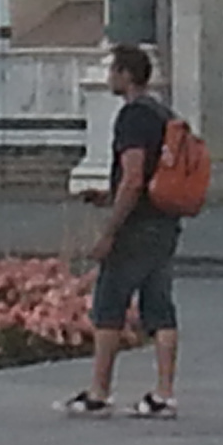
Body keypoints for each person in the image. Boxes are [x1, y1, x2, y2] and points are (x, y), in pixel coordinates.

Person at [58, 44, 182, 420]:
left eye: (113, 70)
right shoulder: (164, 113)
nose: (109, 77)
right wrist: (105, 195)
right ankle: (164, 393)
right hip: (165, 220)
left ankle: (99, 391)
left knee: (109, 306)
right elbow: (149, 177)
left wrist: (110, 229)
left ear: (127, 75)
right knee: (160, 309)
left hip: (137, 226)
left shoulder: (132, 116)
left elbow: (133, 178)